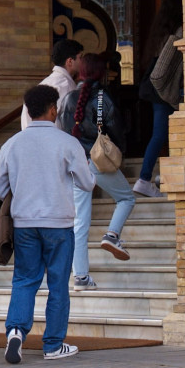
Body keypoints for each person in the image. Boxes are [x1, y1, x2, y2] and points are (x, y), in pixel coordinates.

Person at [0, 84, 95, 363]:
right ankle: (52, 344)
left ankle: (15, 331)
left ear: (28, 110)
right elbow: (87, 183)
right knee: (58, 284)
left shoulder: (12, 144)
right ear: (53, 109)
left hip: (24, 223)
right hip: (59, 224)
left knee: (25, 280)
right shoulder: (67, 143)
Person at [58, 53, 136, 291]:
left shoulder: (69, 98)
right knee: (126, 198)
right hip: (98, 160)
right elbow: (116, 129)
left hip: (75, 164)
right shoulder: (103, 98)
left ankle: (80, 277)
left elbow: (63, 130)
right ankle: (112, 235)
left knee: (80, 222)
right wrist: (119, 153)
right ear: (101, 72)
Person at [135, 0, 184, 198]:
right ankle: (145, 178)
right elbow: (163, 71)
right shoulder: (178, 33)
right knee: (165, 134)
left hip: (160, 91)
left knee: (164, 134)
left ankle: (155, 177)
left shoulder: (160, 33)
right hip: (168, 90)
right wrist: (170, 95)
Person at [21, 38, 83, 130]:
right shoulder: (65, 85)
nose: (82, 62)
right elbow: (63, 123)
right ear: (70, 61)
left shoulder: (46, 82)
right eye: (80, 57)